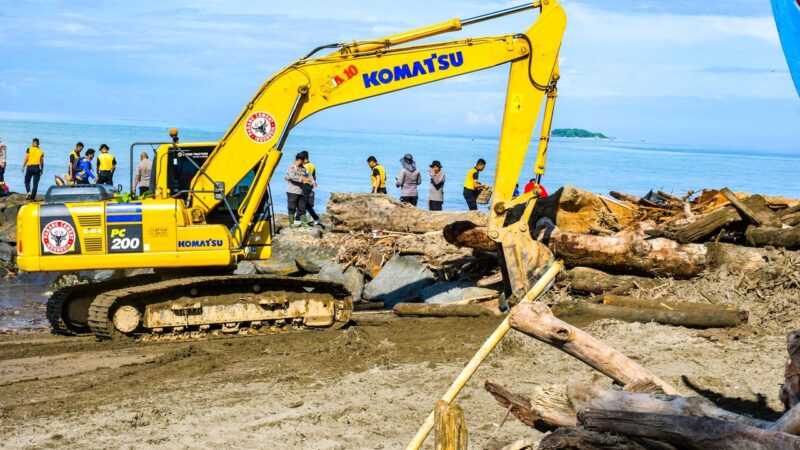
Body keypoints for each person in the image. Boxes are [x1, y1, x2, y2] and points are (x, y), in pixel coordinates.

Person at [285, 153, 311, 227]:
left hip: (301, 191)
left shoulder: (302, 168)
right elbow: (291, 176)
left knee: (302, 206)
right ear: (299, 160)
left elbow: (308, 175)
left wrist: (311, 180)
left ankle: (304, 223)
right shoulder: (292, 166)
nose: (304, 163)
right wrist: (302, 179)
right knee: (292, 207)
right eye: (303, 161)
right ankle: (292, 223)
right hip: (292, 191)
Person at [299, 151, 322, 227]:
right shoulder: (312, 165)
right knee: (306, 204)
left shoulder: (305, 166)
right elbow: (314, 177)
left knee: (302, 203)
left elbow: (302, 177)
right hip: (309, 186)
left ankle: (299, 221)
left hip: (305, 185)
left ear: (305, 158)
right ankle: (316, 218)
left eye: (301, 158)